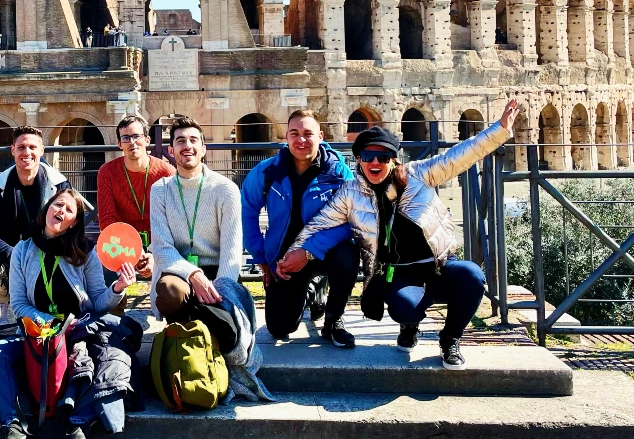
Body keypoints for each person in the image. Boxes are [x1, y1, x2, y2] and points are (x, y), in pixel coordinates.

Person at [279, 99, 519, 371]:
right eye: (368, 157)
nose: (375, 163)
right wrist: (294, 253)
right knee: (405, 308)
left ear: (394, 160)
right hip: (400, 272)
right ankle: (410, 325)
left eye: (383, 157)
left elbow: (462, 155)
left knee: (473, 276)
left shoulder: (421, 174)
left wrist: (499, 130)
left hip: (440, 264)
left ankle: (450, 339)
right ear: (358, 160)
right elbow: (319, 224)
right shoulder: (350, 193)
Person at [0, 184, 135, 439]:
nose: (61, 211)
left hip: (76, 334)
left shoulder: (84, 253)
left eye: (69, 210)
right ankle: (13, 428)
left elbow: (97, 302)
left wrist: (118, 287)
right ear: (46, 210)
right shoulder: (23, 250)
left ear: (73, 222)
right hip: (36, 335)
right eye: (58, 205)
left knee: (95, 359)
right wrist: (49, 325)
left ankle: (74, 430)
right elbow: (18, 304)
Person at [242, 109, 360, 346]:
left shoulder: (338, 172)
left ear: (321, 136)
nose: (301, 140)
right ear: (286, 136)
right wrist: (263, 258)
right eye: (294, 133)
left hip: (326, 249)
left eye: (308, 133)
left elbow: (352, 220)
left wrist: (309, 252)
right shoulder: (267, 172)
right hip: (285, 256)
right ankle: (313, 290)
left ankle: (333, 321)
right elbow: (246, 211)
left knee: (347, 254)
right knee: (279, 328)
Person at [149, 116, 243, 352]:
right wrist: (193, 275)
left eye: (193, 140)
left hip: (217, 271)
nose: (187, 146)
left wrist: (221, 291)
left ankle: (195, 330)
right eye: (180, 141)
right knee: (170, 293)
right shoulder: (160, 190)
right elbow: (161, 248)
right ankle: (190, 332)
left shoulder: (225, 189)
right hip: (180, 272)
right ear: (171, 150)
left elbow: (232, 250)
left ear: (203, 149)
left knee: (227, 328)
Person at [0, 127, 67, 313]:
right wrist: (13, 255)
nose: (27, 152)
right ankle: (9, 301)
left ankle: (44, 302)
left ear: (42, 150)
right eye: (21, 147)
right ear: (12, 150)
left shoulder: (59, 184)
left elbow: (70, 228)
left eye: (32, 147)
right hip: (9, 260)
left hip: (48, 257)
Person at [94, 114, 174, 280]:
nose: (132, 142)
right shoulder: (107, 172)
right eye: (126, 138)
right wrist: (132, 251)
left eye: (136, 136)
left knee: (168, 292)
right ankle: (115, 303)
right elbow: (107, 221)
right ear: (119, 144)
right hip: (122, 244)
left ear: (147, 139)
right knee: (100, 264)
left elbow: (173, 220)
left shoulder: (167, 172)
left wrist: (151, 253)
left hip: (161, 243)